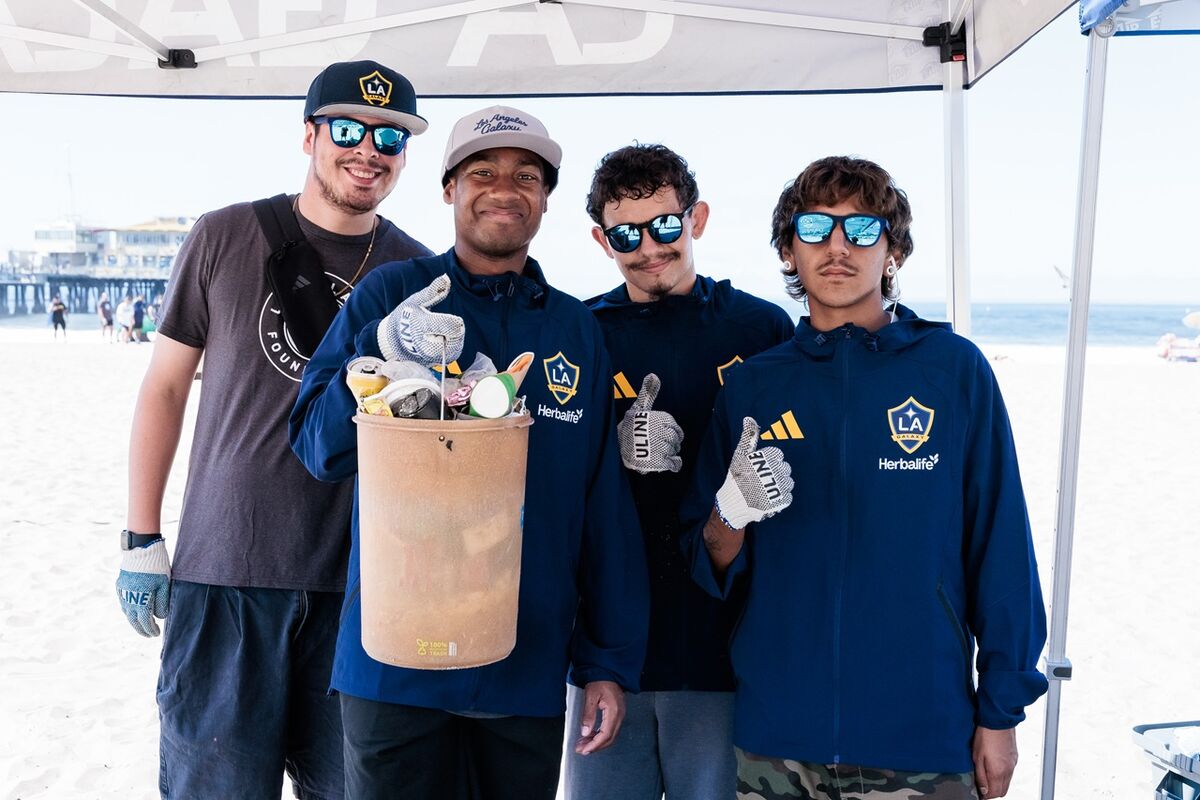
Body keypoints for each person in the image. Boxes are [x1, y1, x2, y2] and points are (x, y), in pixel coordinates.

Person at [290, 105, 649, 800]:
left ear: (546, 199)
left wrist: (606, 661)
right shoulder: (393, 295)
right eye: (481, 171)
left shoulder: (576, 326)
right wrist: (381, 359)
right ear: (449, 188)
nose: (504, 188)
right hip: (395, 666)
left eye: (527, 175)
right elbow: (316, 448)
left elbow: (602, 502)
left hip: (526, 665)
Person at [682, 156, 1048, 800]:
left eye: (862, 229)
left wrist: (1001, 711)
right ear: (788, 252)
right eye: (816, 227)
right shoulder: (752, 385)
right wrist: (730, 512)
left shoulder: (953, 370)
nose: (837, 247)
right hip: (777, 739)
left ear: (894, 250)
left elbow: (1003, 550)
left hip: (922, 733)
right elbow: (708, 558)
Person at [114, 60, 432, 800]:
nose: (368, 151)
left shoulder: (418, 271)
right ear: (309, 136)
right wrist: (139, 538)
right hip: (224, 571)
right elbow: (164, 388)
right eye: (349, 130)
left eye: (390, 138)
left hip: (360, 590)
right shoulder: (225, 236)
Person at [564, 143, 794, 800]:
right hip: (611, 650)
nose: (649, 247)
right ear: (600, 239)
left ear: (697, 219)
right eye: (626, 234)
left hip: (723, 649)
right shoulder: (582, 331)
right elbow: (554, 479)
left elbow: (789, 478)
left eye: (665, 225)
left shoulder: (759, 328)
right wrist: (614, 445)